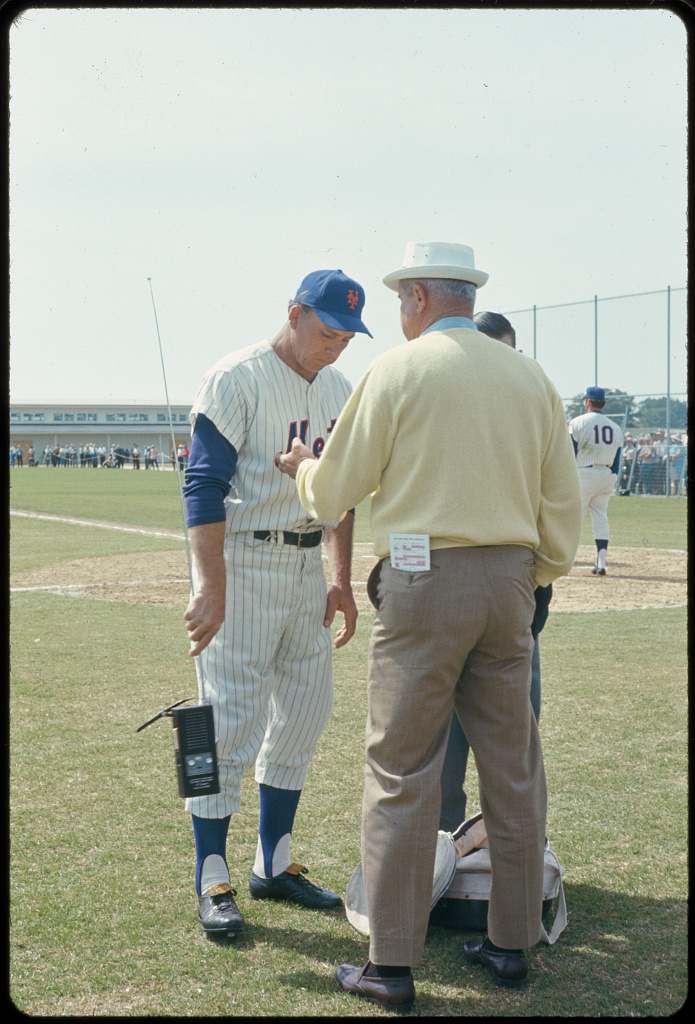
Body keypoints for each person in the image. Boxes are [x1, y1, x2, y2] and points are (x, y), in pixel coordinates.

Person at [277, 241, 582, 1008]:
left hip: (421, 577)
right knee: (512, 770)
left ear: (415, 297)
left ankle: (391, 961)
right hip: (511, 581)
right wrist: (531, 573)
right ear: (465, 296)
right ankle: (511, 942)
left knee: (401, 770)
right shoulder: (530, 376)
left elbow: (336, 488)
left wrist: (301, 470)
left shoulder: (396, 370)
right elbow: (560, 508)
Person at [181, 268, 372, 939]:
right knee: (224, 722)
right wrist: (210, 585)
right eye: (326, 332)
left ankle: (273, 864)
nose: (336, 347)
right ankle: (212, 875)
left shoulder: (341, 388)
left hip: (303, 568)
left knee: (303, 718)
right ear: (294, 313)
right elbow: (202, 484)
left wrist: (339, 576)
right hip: (243, 556)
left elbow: (342, 491)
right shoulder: (237, 376)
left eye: (348, 337)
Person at [439, 310, 545, 834]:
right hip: (462, 597)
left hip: (516, 607)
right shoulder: (447, 404)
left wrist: (538, 582)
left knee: (515, 746)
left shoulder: (533, 400)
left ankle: (519, 852)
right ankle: (442, 854)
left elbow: (555, 502)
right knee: (443, 753)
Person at [568, 387, 623, 575]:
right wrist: (612, 476)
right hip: (607, 474)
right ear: (603, 402)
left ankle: (566, 561)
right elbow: (617, 460)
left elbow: (570, 453)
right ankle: (601, 564)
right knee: (601, 518)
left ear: (588, 402)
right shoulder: (615, 427)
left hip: (584, 473)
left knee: (574, 518)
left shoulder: (577, 422)